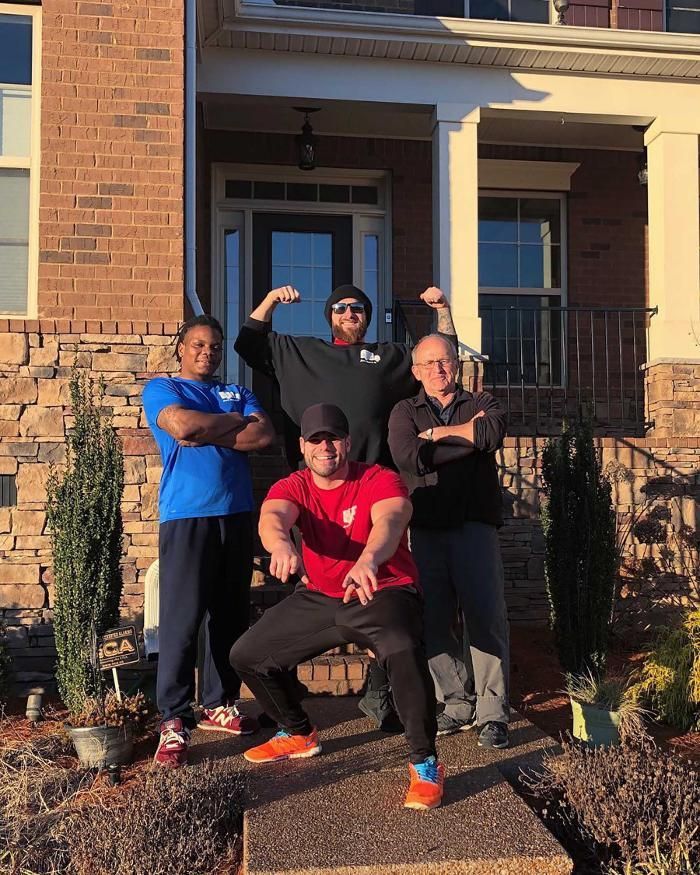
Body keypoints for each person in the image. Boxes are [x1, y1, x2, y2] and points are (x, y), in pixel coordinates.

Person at [234, 283, 456, 729]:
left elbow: (439, 361)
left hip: (375, 494)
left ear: (367, 318)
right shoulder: (302, 353)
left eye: (358, 308)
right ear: (330, 316)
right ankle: (284, 698)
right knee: (308, 596)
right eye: (341, 307)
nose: (350, 313)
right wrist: (272, 300)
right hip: (318, 496)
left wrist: (443, 313)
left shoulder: (389, 358)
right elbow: (247, 342)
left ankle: (382, 696)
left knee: (382, 601)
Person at [230, 403, 444, 810]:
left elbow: (392, 519)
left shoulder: (379, 478)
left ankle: (424, 761)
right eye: (315, 440)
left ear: (347, 442)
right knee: (246, 655)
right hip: (322, 595)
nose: (324, 447)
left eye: (333, 438)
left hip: (381, 589)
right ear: (303, 446)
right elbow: (273, 517)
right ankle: (298, 732)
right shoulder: (294, 485)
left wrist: (369, 559)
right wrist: (280, 545)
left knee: (401, 648)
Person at [142, 315, 275, 767]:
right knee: (181, 622)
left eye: (215, 346)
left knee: (230, 615)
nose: (207, 352)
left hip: (235, 515)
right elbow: (182, 428)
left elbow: (263, 434)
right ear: (182, 347)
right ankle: (174, 719)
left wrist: (213, 427)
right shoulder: (163, 389)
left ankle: (219, 703)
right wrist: (230, 425)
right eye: (198, 344)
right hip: (187, 516)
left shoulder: (237, 391)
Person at [388, 333, 511, 749]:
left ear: (456, 365)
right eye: (429, 364)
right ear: (416, 371)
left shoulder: (483, 402)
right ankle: (457, 703)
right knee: (434, 620)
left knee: (484, 617)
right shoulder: (405, 411)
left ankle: (493, 713)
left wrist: (438, 435)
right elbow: (408, 456)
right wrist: (467, 438)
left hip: (475, 525)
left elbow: (491, 434)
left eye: (445, 361)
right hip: (426, 530)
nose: (439, 369)